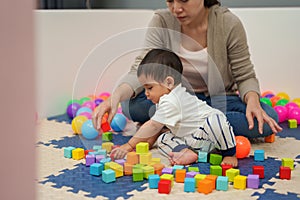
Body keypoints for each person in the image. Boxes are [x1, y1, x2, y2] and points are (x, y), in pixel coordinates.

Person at [93, 0, 282, 145]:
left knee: (268, 119)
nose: (176, 8)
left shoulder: (228, 23)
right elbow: (140, 70)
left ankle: (168, 126)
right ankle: (199, 128)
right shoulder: (162, 20)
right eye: (170, 0)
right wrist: (114, 97)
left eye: (183, 0)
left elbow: (245, 75)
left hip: (218, 101)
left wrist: (253, 101)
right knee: (129, 105)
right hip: (175, 99)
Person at [112, 48, 238, 166]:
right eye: (144, 88)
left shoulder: (172, 101)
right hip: (192, 140)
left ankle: (229, 152)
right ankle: (186, 152)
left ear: (169, 82)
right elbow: (157, 129)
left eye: (150, 88)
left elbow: (153, 125)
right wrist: (146, 144)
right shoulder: (163, 100)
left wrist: (128, 145)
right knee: (163, 139)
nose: (146, 93)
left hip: (208, 134)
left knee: (216, 120)